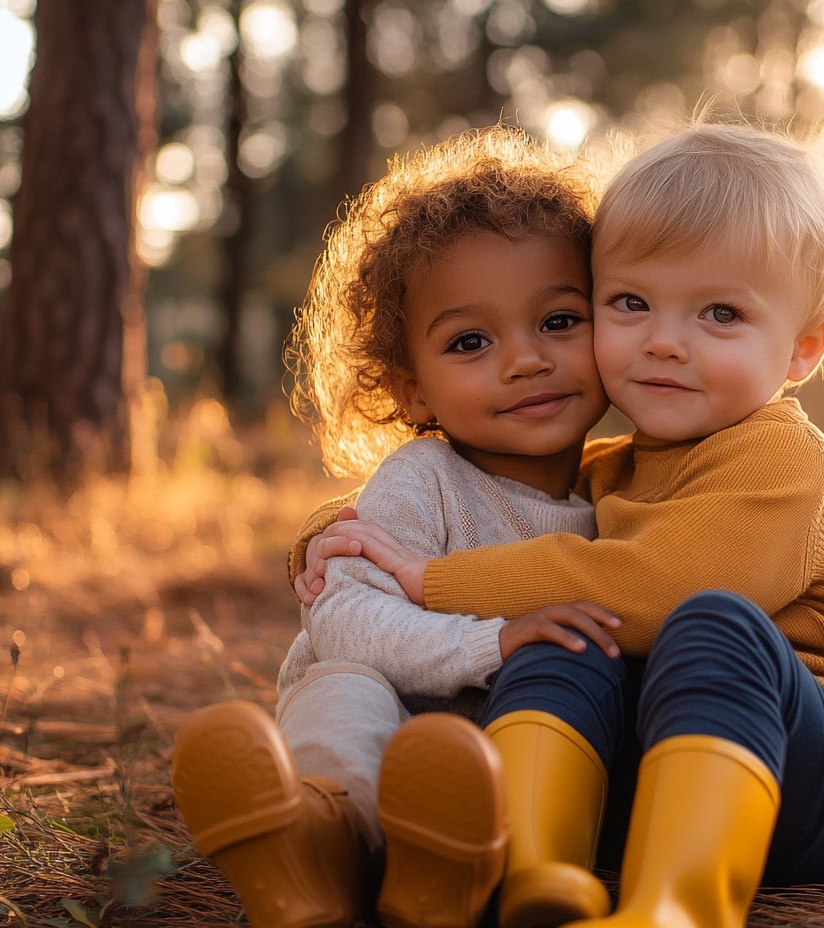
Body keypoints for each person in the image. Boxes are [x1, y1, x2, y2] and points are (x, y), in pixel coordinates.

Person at [297, 121, 824, 928]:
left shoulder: (781, 458)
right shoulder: (612, 470)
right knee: (565, 637)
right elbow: (493, 509)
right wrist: (330, 536)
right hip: (661, 781)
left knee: (708, 624)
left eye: (721, 314)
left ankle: (674, 908)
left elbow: (653, 586)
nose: (664, 342)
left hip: (820, 778)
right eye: (631, 303)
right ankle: (531, 877)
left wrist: (429, 581)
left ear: (803, 347)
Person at [170, 125, 621, 928]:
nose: (525, 360)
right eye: (471, 341)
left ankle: (436, 873)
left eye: (559, 321)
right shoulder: (424, 480)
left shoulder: (625, 492)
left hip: (499, 770)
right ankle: (321, 841)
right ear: (412, 392)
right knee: (344, 687)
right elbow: (342, 617)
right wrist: (491, 643)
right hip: (384, 736)